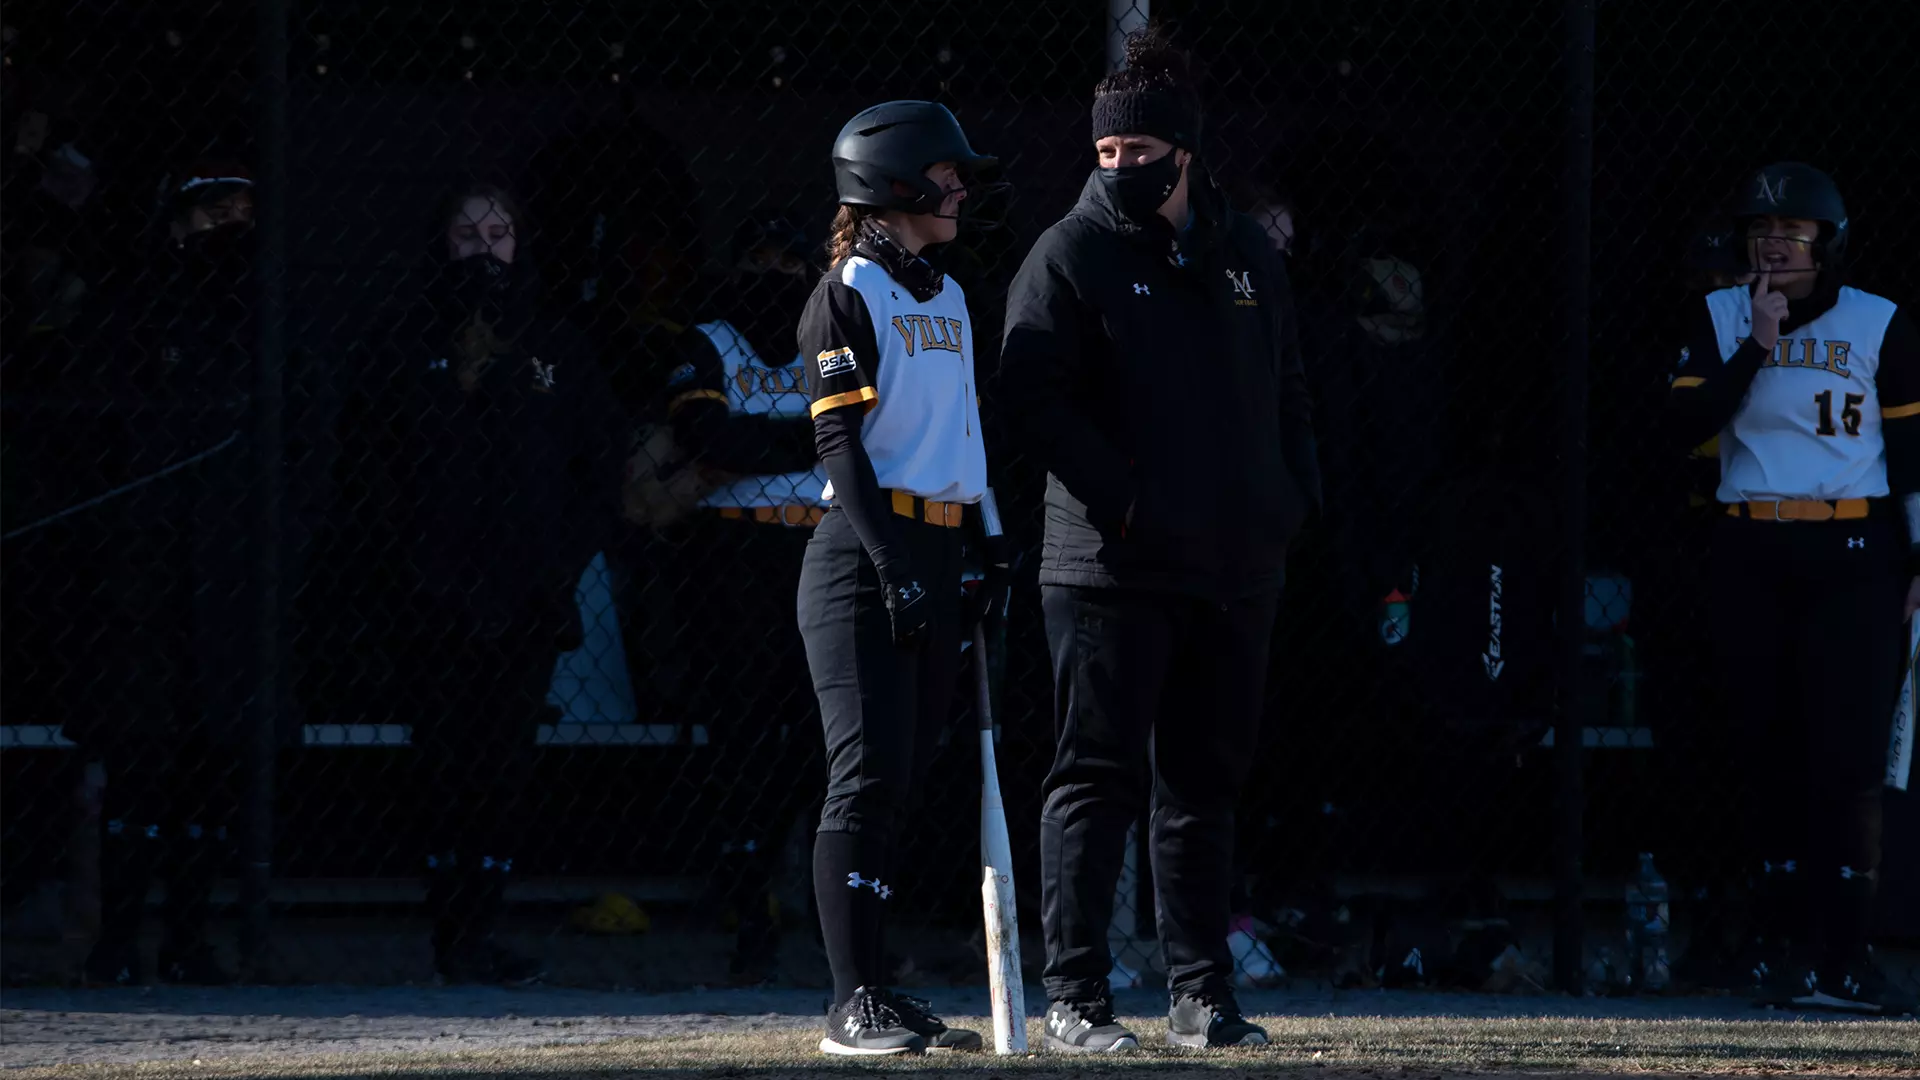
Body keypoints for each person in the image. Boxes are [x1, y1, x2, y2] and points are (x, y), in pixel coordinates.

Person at [999, 26, 1320, 1051]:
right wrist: (1126, 500)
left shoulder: (1248, 254)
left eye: (1139, 152)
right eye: (1105, 154)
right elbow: (1030, 400)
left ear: (1186, 151)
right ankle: (1076, 999)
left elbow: (1292, 390)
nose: (1121, 168)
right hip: (1109, 568)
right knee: (1093, 777)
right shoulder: (1069, 253)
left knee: (1204, 783)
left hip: (1234, 567)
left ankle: (1200, 993)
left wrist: (1288, 499)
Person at [332, 182, 626, 983]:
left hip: (529, 597)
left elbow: (596, 473)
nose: (485, 248)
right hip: (426, 599)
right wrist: (410, 573)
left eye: (499, 232)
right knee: (441, 762)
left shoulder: (558, 348)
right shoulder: (399, 345)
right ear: (442, 245)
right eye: (467, 234)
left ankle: (481, 926)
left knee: (503, 763)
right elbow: (368, 472)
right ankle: (447, 927)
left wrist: (555, 567)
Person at [1667, 162, 1920, 1016]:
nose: (1772, 246)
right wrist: (1756, 346)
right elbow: (1680, 426)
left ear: (1828, 244)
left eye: (1791, 235)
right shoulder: (1722, 314)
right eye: (1759, 234)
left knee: (1846, 757)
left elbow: (1913, 458)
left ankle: (1846, 956)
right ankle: (1780, 952)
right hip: (1752, 547)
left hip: (1854, 549)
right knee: (1767, 750)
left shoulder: (1877, 322)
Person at [796, 100, 1006, 1055]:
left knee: (906, 779)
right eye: (945, 174)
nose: (959, 188)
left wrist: (987, 543)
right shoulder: (848, 292)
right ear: (894, 185)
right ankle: (849, 1003)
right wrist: (892, 565)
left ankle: (876, 986)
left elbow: (963, 434)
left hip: (939, 546)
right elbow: (840, 440)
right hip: (860, 558)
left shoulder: (950, 295)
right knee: (866, 776)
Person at [68, 161, 260, 985]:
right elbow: (90, 444)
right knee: (141, 762)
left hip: (236, 573)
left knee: (211, 769)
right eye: (217, 213)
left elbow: (312, 445)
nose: (232, 230)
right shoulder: (131, 315)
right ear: (178, 221)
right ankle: (117, 939)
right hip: (141, 580)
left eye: (245, 214)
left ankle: (188, 937)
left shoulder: (268, 316)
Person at [663, 214, 828, 979]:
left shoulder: (830, 330)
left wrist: (756, 435)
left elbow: (859, 427)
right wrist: (803, 435)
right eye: (756, 262)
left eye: (787, 264)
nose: (774, 278)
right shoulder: (709, 340)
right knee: (740, 732)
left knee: (817, 735)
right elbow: (707, 440)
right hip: (730, 556)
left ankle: (813, 898)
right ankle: (746, 898)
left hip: (817, 547)